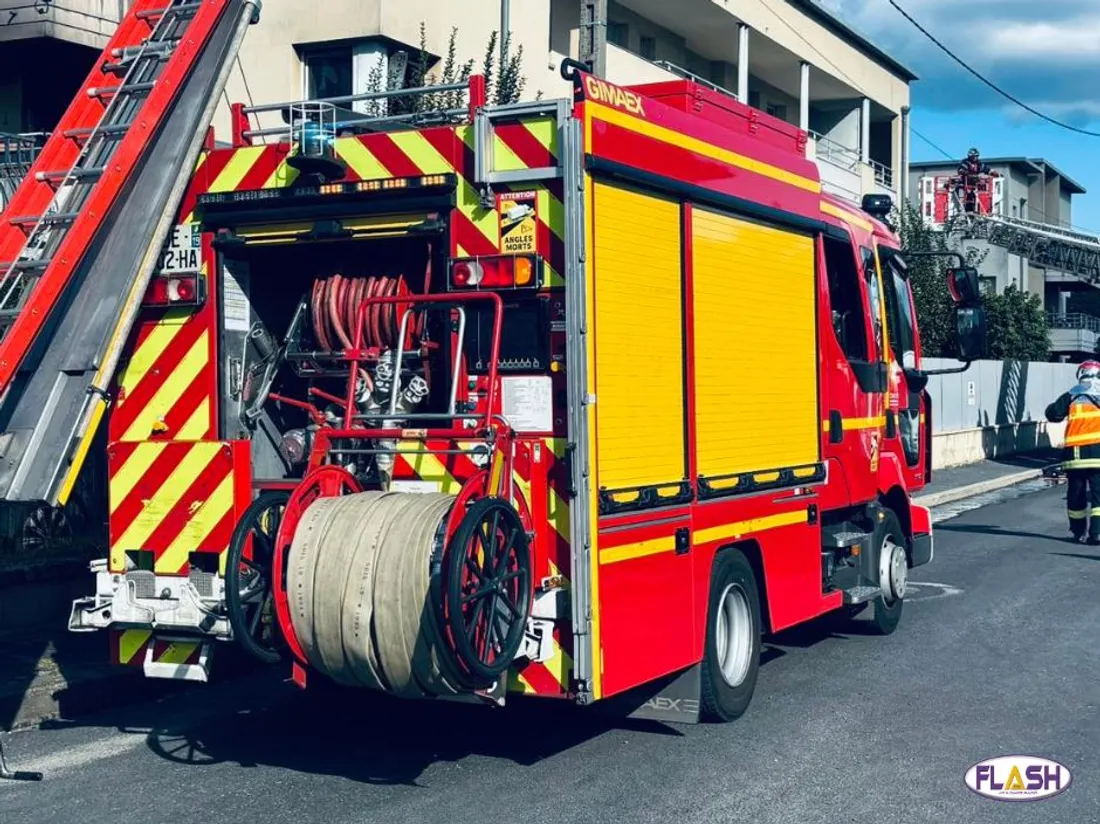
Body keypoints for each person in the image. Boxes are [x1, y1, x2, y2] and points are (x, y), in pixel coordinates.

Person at [1045, 360, 1100, 544]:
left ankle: (1078, 532)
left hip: (1075, 455)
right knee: (1098, 495)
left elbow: (1053, 414)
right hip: (1098, 454)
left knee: (1076, 493)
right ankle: (1097, 533)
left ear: (1081, 373)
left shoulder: (1072, 394)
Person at [956, 148, 994, 214]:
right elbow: (961, 170)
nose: (975, 158)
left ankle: (972, 211)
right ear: (970, 156)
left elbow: (987, 169)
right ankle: (961, 211)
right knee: (962, 197)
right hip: (963, 184)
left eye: (976, 156)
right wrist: (967, 173)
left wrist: (994, 173)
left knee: (973, 197)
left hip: (973, 185)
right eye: (973, 156)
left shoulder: (979, 164)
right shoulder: (965, 162)